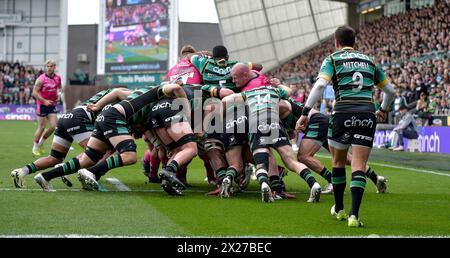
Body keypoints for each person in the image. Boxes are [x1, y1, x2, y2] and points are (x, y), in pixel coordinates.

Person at [297, 25, 395, 227]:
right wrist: (383, 109)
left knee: (338, 162)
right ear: (354, 42)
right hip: (367, 114)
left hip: (342, 114)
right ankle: (354, 216)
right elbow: (390, 91)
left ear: (336, 42)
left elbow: (321, 85)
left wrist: (305, 112)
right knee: (358, 165)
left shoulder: (332, 59)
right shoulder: (369, 61)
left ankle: (340, 210)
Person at [11, 88, 121, 188]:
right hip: (80, 117)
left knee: (54, 158)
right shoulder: (119, 97)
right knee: (96, 152)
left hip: (67, 116)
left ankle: (21, 171)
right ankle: (66, 168)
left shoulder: (108, 93)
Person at [32, 60, 63, 157]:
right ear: (46, 67)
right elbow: (34, 93)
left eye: (51, 66)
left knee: (54, 126)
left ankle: (41, 143)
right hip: (41, 105)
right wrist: (44, 101)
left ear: (54, 67)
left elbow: (60, 87)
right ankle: (35, 146)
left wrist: (59, 95)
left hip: (52, 105)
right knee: (41, 127)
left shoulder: (58, 78)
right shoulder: (41, 79)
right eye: (47, 66)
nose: (49, 68)